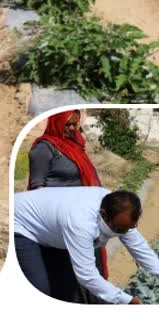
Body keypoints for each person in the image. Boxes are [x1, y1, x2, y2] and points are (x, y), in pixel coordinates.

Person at [14, 187, 159, 304]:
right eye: (119, 229)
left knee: (65, 286)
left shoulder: (121, 212)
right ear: (103, 215)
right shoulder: (80, 221)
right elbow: (87, 275)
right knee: (40, 286)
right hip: (22, 224)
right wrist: (128, 300)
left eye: (128, 228)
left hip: (52, 227)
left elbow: (139, 248)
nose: (122, 233)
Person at [26, 110, 108, 302]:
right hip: (60, 222)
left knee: (90, 267)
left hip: (82, 219)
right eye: (67, 125)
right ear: (57, 122)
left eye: (75, 125)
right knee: (68, 275)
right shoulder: (44, 149)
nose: (72, 129)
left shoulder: (74, 146)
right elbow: (37, 189)